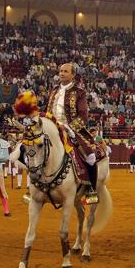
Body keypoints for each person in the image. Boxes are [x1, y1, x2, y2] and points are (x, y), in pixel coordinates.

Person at [45, 63, 98, 204]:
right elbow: (48, 111)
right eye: (60, 71)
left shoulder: (80, 92)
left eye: (65, 71)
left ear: (73, 75)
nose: (61, 73)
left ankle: (91, 189)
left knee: (91, 157)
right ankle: (34, 187)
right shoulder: (54, 90)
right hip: (52, 128)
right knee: (30, 148)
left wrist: (69, 128)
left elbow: (83, 116)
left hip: (72, 130)